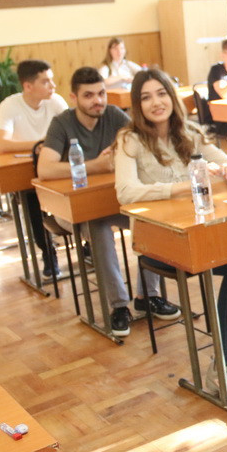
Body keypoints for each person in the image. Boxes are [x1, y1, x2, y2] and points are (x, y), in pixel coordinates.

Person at [114, 68, 227, 408]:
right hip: (161, 240)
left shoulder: (190, 133)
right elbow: (126, 192)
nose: (155, 102)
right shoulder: (130, 140)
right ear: (137, 105)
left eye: (161, 94)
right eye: (145, 97)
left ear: (172, 97)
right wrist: (181, 187)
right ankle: (222, 363)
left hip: (201, 234)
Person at [38, 66, 181, 337]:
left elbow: (143, 143)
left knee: (150, 219)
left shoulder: (114, 115)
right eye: (89, 95)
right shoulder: (62, 123)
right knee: (98, 227)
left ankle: (147, 296)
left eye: (101, 93)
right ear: (73, 98)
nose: (98, 101)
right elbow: (44, 169)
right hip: (73, 210)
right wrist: (95, 165)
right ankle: (118, 306)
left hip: (113, 202)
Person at [0, 60, 68, 276]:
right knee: (32, 201)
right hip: (27, 171)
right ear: (28, 86)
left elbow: (73, 133)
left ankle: (88, 245)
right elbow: (1, 145)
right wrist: (40, 145)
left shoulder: (56, 102)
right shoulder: (10, 105)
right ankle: (48, 252)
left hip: (57, 167)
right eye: (45, 82)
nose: (53, 86)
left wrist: (48, 147)